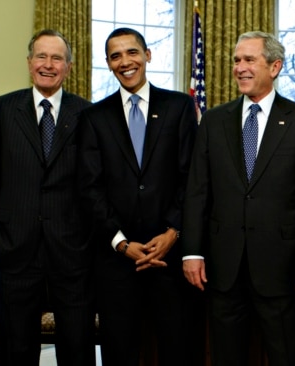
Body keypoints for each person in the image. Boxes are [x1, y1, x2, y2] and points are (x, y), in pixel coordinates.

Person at [182, 31, 295, 366]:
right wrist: (191, 251)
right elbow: (198, 190)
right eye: (236, 60)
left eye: (249, 60)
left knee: (284, 355)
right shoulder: (214, 120)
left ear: (275, 66)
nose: (240, 68)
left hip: (282, 269)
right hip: (223, 268)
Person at [77, 27, 204, 365]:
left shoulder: (179, 107)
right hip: (117, 263)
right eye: (115, 56)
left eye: (132, 52)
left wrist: (172, 232)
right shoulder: (94, 117)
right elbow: (90, 188)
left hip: (171, 259)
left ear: (147, 56)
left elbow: (190, 177)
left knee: (179, 350)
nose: (125, 61)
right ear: (108, 63)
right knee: (120, 354)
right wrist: (121, 242)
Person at [0, 29, 94, 366]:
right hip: (13, 257)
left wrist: (86, 243)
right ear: (29, 63)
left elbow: (94, 189)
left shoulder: (88, 115)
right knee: (15, 352)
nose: (48, 64)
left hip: (72, 258)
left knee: (78, 352)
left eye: (57, 58)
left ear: (68, 67)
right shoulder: (1, 110)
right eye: (41, 56)